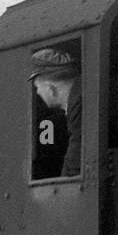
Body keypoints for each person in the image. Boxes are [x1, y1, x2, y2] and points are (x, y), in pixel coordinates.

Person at [30, 48, 82, 177]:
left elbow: (75, 165)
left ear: (51, 88)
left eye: (37, 87)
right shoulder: (78, 99)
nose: (37, 93)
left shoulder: (79, 105)